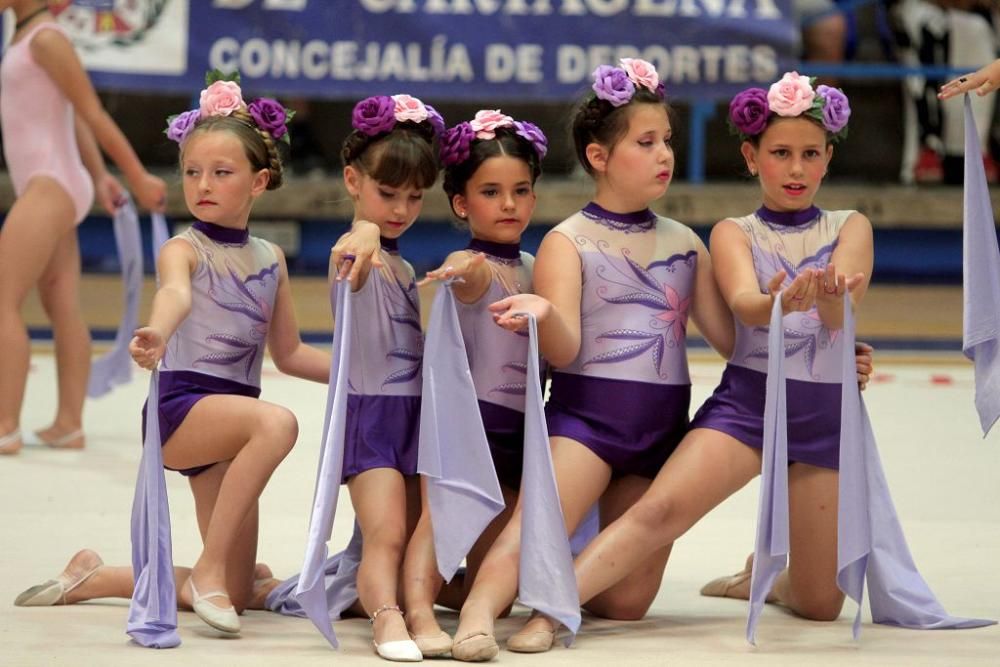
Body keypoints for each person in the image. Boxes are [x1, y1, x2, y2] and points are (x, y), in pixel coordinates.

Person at [505, 72, 904, 648]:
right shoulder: (730, 233)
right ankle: (551, 611)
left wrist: (834, 306)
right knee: (659, 511)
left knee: (821, 606)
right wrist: (778, 300)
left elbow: (840, 321)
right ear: (751, 156)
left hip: (823, 417)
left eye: (810, 155)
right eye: (781, 154)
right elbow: (743, 309)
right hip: (747, 408)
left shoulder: (851, 227)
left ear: (827, 158)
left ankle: (767, 580)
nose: (796, 169)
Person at [449, 59, 737, 662]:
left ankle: (552, 590)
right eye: (646, 142)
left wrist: (830, 348)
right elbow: (565, 351)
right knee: (532, 526)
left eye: (667, 142)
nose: (664, 155)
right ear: (600, 156)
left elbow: (733, 343)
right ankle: (477, 612)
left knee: (627, 602)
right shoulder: (568, 240)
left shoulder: (687, 242)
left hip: (659, 431)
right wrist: (546, 315)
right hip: (588, 425)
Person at [128, 74, 327, 636]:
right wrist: (160, 332)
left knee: (236, 596)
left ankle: (95, 575)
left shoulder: (269, 258)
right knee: (279, 423)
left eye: (221, 172)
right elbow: (174, 292)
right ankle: (211, 564)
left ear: (259, 180)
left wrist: (365, 374)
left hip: (232, 427)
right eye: (192, 172)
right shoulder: (183, 248)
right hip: (183, 410)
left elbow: (288, 355)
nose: (203, 184)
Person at [396, 110, 548, 658]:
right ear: (462, 204)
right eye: (491, 191)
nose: (508, 204)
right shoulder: (472, 266)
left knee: (498, 597)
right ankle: (415, 612)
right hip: (470, 427)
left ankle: (412, 593)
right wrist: (462, 268)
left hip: (520, 438)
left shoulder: (538, 266)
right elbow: (471, 269)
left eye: (520, 190)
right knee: (438, 527)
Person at [0, 0, 166, 455]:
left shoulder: (48, 39)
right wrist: (96, 177)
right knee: (61, 305)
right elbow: (69, 115)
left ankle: (5, 425)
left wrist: (136, 176)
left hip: (49, 184)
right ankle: (68, 424)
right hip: (58, 181)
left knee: (3, 300)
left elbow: (92, 112)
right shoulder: (29, 34)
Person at [326, 94, 441, 662]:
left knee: (411, 545)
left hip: (414, 419)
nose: (400, 210)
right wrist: (366, 232)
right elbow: (358, 245)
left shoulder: (405, 266)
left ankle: (385, 599)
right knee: (387, 536)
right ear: (352, 179)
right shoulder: (351, 253)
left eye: (415, 197)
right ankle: (385, 617)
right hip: (371, 419)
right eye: (387, 193)